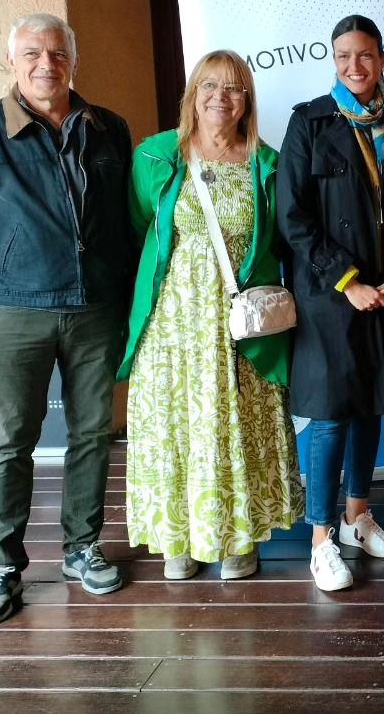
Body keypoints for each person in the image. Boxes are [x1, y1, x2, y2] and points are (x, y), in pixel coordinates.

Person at [0, 13, 133, 626]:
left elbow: (123, 227)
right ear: (13, 63)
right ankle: (3, 565)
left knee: (94, 433)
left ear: (74, 60)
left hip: (96, 310)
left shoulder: (108, 129)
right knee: (12, 441)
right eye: (33, 54)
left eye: (58, 54)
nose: (47, 65)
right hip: (16, 313)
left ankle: (81, 546)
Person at [120, 51, 302, 581]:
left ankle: (236, 537)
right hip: (173, 321)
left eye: (234, 88)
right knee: (177, 424)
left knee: (233, 424)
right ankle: (178, 535)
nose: (220, 97)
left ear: (247, 100)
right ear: (192, 95)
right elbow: (138, 229)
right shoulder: (156, 157)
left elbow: (282, 238)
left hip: (238, 320)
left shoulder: (267, 164)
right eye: (209, 86)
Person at [279, 15, 384, 591]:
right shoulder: (309, 124)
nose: (355, 67)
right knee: (330, 416)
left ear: (383, 57)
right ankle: (320, 538)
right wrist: (347, 280)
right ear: (334, 60)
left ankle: (357, 516)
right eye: (344, 56)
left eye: (366, 55)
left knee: (370, 405)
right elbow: (292, 220)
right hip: (331, 297)